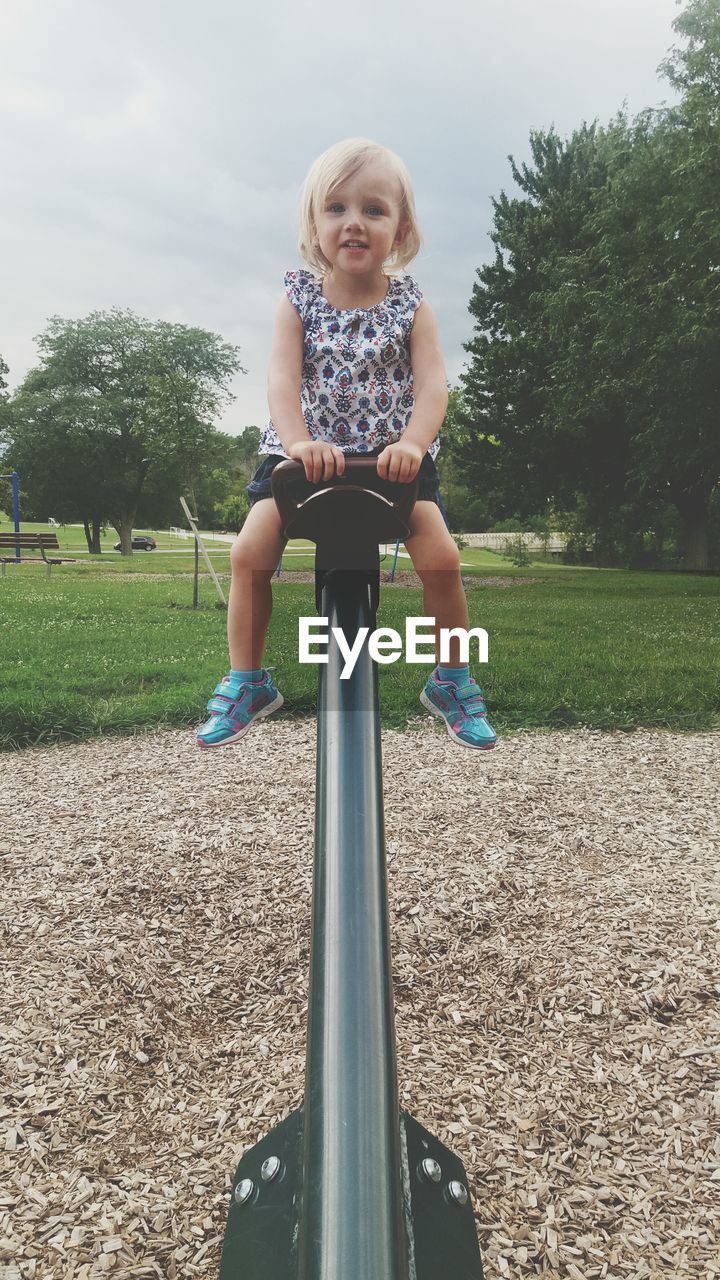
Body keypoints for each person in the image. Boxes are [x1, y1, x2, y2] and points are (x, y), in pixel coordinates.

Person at [196, 137, 496, 751]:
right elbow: (281, 379)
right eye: (335, 208)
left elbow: (434, 384)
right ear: (314, 223)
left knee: (442, 557)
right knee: (250, 552)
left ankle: (452, 677)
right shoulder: (299, 299)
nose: (353, 222)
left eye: (373, 209)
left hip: (391, 462)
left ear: (401, 228)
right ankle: (247, 679)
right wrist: (299, 442)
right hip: (304, 460)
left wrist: (414, 443)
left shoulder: (411, 305)